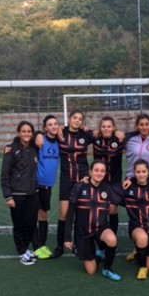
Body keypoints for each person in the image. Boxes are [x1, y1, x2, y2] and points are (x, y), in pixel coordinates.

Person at [65, 160, 124, 281]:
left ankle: (107, 269)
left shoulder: (107, 189)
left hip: (100, 228)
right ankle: (94, 255)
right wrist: (67, 238)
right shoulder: (80, 186)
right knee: (91, 271)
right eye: (96, 170)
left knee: (112, 239)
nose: (99, 173)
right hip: (83, 232)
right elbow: (70, 213)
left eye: (102, 171)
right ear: (90, 172)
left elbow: (122, 201)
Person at [51, 110, 96, 259]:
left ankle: (77, 244)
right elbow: (45, 133)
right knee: (64, 213)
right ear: (69, 119)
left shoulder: (85, 135)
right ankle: (60, 246)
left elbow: (101, 135)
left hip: (83, 179)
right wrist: (39, 134)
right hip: (67, 180)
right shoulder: (61, 132)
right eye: (75, 118)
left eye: (80, 119)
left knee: (81, 213)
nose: (77, 121)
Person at [0, 120, 40, 265]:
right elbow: (4, 175)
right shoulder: (11, 149)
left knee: (30, 223)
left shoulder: (34, 148)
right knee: (19, 225)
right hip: (17, 195)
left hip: (33, 193)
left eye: (29, 131)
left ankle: (26, 248)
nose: (26, 134)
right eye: (23, 131)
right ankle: (22, 252)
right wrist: (8, 196)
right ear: (18, 133)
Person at [92, 116, 126, 234]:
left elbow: (138, 133)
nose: (106, 129)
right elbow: (81, 130)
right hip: (99, 182)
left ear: (114, 128)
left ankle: (113, 238)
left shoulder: (119, 139)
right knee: (100, 211)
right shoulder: (95, 138)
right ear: (100, 128)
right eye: (104, 126)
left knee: (112, 210)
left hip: (115, 182)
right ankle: (101, 242)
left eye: (109, 126)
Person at [33, 114, 60, 258]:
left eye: (55, 123)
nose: (53, 126)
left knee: (43, 215)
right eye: (50, 124)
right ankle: (35, 246)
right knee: (32, 214)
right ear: (45, 128)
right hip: (35, 183)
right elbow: (24, 138)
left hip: (48, 186)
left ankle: (41, 245)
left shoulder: (60, 142)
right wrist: (37, 133)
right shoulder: (40, 140)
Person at [125, 113, 149, 178]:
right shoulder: (129, 140)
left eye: (147, 124)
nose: (144, 127)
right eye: (141, 125)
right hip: (131, 178)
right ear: (137, 126)